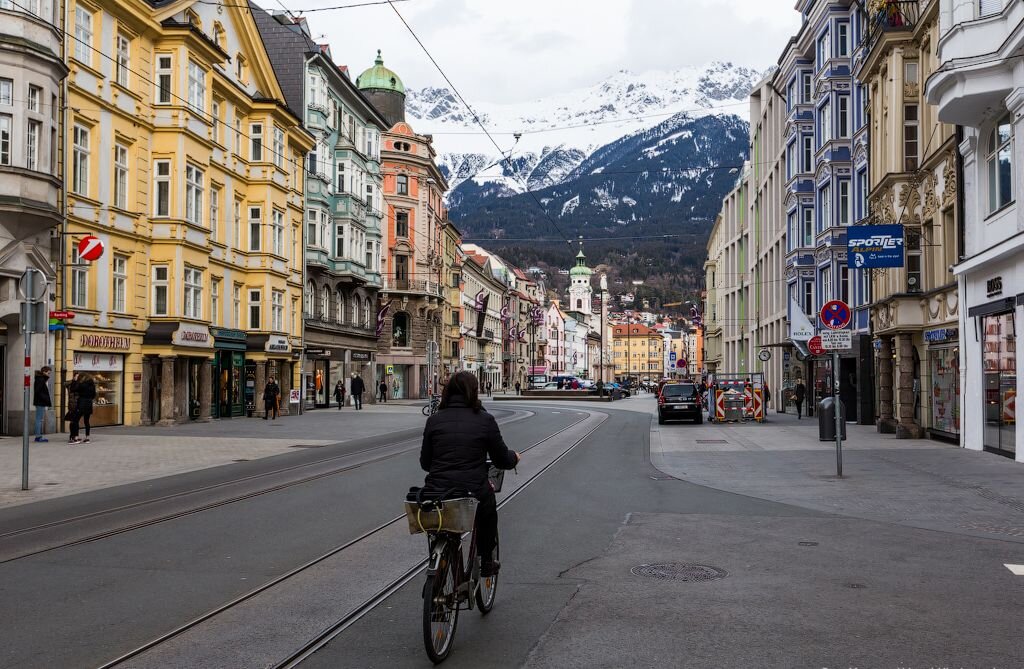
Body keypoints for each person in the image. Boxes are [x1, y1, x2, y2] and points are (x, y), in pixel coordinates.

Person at [419, 372, 520, 576]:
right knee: (488, 511)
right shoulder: (485, 420)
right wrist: (514, 458)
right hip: (473, 490)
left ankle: (439, 562)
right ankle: (486, 561)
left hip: (438, 491)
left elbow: (425, 463)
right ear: (474, 392)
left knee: (439, 523)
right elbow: (501, 459)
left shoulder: (434, 421)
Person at [69, 373, 96, 444]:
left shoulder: (82, 385)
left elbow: (72, 389)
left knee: (75, 420)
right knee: (86, 421)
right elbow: (94, 395)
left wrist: (74, 381)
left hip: (81, 404)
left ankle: (76, 438)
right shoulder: (92, 385)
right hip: (89, 404)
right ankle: (87, 438)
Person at [33, 366, 52, 442]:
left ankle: (38, 436)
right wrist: (45, 398)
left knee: (39, 419)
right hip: (40, 402)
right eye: (48, 373)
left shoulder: (40, 379)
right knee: (39, 419)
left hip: (39, 401)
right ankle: (38, 437)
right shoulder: (40, 379)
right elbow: (38, 391)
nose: (49, 374)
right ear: (44, 372)